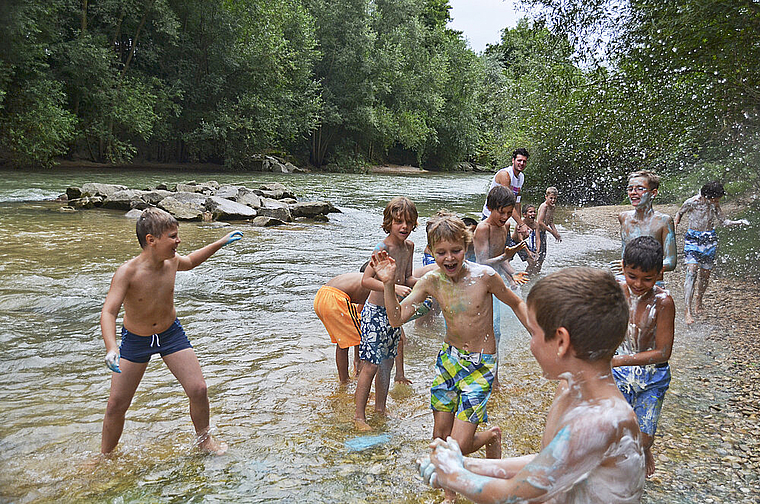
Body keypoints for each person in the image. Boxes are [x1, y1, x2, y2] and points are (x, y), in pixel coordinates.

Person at [417, 267, 645, 503]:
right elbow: (546, 463)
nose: (531, 344)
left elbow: (512, 495)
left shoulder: (599, 421)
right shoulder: (570, 387)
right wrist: (464, 463)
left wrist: (453, 475)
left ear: (561, 341)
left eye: (534, 332)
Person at [370, 213, 530, 503]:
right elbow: (396, 319)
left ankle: (491, 436)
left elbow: (516, 301)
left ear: (465, 246)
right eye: (441, 252)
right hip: (449, 360)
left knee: (461, 444)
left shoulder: (485, 277)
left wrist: (539, 337)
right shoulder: (431, 280)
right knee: (440, 435)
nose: (449, 258)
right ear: (431, 252)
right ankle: (450, 495)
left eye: (455, 250)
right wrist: (389, 284)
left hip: (481, 364)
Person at [99, 207, 241, 456]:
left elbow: (193, 260)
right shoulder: (127, 273)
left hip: (170, 334)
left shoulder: (172, 262)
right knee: (116, 405)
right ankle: (105, 456)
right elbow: (108, 312)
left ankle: (205, 442)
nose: (178, 241)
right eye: (173, 236)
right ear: (151, 240)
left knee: (199, 390)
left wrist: (221, 242)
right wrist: (112, 347)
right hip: (136, 340)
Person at [612, 236, 675, 478]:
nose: (638, 284)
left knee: (644, 439)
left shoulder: (663, 302)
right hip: (619, 372)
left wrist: (620, 360)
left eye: (648, 278)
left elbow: (663, 352)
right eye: (632, 276)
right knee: (619, 432)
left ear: (660, 273)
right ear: (623, 267)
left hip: (653, 376)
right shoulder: (616, 289)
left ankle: (647, 449)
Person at [355, 196, 418, 431]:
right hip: (375, 313)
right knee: (370, 364)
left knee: (387, 363)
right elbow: (366, 280)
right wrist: (392, 286)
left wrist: (423, 285)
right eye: (398, 222)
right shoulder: (383, 248)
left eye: (408, 222)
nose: (403, 227)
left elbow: (408, 276)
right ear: (388, 223)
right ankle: (359, 417)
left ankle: (380, 409)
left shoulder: (409, 247)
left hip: (394, 312)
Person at [474, 185, 528, 390]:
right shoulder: (483, 228)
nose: (505, 217)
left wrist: (512, 272)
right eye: (501, 212)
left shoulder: (504, 227)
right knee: (484, 330)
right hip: (479, 284)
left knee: (496, 331)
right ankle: (481, 375)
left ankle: (494, 378)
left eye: (508, 213)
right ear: (489, 208)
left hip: (495, 282)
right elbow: (481, 262)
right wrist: (506, 257)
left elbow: (500, 259)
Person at [674, 181, 750, 325]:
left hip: (709, 240)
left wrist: (739, 222)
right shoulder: (691, 202)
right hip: (693, 240)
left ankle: (699, 299)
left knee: (705, 275)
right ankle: (687, 310)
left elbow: (723, 222)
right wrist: (673, 230)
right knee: (691, 271)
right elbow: (679, 214)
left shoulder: (714, 204)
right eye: (715, 199)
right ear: (706, 196)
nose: (717, 202)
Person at [313, 271, 370, 384]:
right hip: (336, 299)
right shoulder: (377, 284)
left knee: (343, 341)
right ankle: (353, 377)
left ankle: (345, 378)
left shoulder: (361, 279)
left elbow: (359, 313)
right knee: (362, 338)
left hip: (321, 296)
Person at [617, 170, 676, 277]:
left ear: (653, 193)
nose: (633, 192)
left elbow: (671, 261)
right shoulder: (624, 217)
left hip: (652, 280)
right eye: (630, 189)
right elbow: (625, 254)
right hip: (627, 277)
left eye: (640, 188)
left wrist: (638, 267)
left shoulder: (664, 221)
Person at [481, 148, 530, 234]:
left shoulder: (521, 177)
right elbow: (506, 202)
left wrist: (519, 224)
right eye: (519, 160)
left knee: (508, 244)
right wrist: (521, 224)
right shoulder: (505, 175)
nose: (521, 163)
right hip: (491, 216)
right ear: (513, 160)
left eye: (524, 161)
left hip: (503, 218)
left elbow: (517, 202)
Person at [533, 186, 562, 274]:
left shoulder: (552, 207)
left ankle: (537, 273)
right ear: (546, 197)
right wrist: (552, 232)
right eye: (551, 198)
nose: (553, 200)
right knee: (537, 255)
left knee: (543, 255)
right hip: (537, 233)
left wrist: (556, 232)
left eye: (555, 198)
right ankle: (530, 274)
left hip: (543, 233)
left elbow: (550, 221)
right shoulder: (544, 207)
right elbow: (540, 222)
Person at [512, 203, 540, 276]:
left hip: (522, 243)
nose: (533, 214)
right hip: (514, 243)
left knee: (533, 262)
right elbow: (520, 239)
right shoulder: (521, 224)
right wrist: (529, 252)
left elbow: (538, 239)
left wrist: (537, 251)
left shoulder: (535, 225)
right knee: (506, 261)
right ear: (524, 215)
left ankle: (526, 277)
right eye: (530, 212)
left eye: (534, 212)